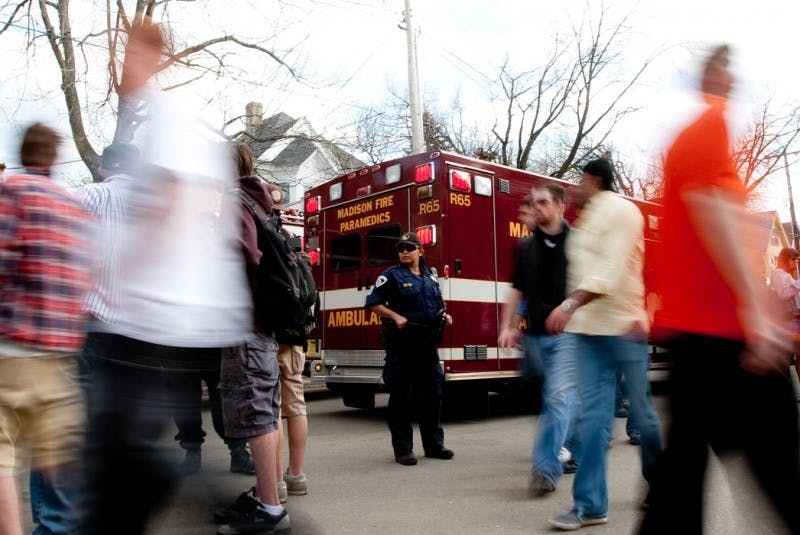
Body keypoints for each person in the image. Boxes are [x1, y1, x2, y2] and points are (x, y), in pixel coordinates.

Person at [79, 21, 252, 534]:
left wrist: (122, 274)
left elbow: (173, 196)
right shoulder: (163, 117)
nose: (118, 65)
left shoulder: (164, 114)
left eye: (124, 54)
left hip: (152, 318)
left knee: (115, 462)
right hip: (171, 319)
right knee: (124, 459)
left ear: (151, 56)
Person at [639, 46, 800, 534]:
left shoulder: (695, 137)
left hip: (696, 335)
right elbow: (713, 211)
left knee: (680, 481)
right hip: (725, 333)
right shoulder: (710, 126)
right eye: (727, 68)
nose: (733, 79)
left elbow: (717, 215)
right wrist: (756, 310)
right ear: (715, 77)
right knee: (780, 469)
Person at [544, 158, 663, 531]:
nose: (576, 185)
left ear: (594, 179)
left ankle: (662, 486)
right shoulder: (584, 221)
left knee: (642, 415)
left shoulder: (624, 212)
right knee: (592, 420)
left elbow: (609, 271)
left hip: (624, 327)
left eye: (580, 179)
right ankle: (591, 505)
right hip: (588, 333)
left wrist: (569, 304)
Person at [0, 123, 93, 535]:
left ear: (23, 154)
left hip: (12, 348)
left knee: (3, 459)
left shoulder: (11, 193)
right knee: (55, 454)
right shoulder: (73, 205)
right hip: (60, 353)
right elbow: (85, 276)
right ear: (55, 159)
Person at [214, 143, 289, 534]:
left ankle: (270, 509)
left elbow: (241, 253)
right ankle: (267, 492)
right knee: (268, 410)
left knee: (257, 413)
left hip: (245, 321)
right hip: (264, 325)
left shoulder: (233, 201)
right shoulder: (260, 201)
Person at [498, 183, 578, 496]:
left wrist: (570, 308)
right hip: (534, 336)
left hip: (569, 335)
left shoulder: (578, 243)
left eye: (543, 202)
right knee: (545, 398)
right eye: (534, 202)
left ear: (561, 205)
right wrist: (508, 325)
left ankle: (545, 469)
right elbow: (516, 289)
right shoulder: (525, 248)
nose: (537, 207)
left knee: (558, 397)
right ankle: (569, 444)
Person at [366, 231, 454, 466]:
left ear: (420, 251)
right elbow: (373, 303)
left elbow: (437, 305)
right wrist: (395, 316)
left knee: (432, 395)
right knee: (402, 397)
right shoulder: (391, 276)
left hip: (427, 344)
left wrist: (445, 315)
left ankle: (434, 445)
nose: (404, 251)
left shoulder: (430, 277)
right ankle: (403, 449)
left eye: (409, 248)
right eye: (401, 248)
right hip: (402, 345)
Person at [265, 184, 310, 499]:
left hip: (267, 336)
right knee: (296, 407)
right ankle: (296, 475)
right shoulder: (294, 245)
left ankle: (274, 484)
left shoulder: (259, 233)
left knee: (271, 410)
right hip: (294, 338)